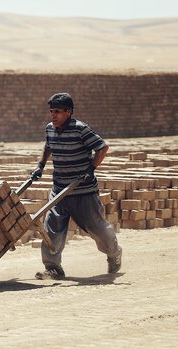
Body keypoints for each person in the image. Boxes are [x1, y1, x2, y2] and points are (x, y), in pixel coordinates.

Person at [31, 92, 122, 280]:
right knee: (52, 228)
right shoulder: (49, 129)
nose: (53, 115)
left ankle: (114, 253)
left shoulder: (80, 129)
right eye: (51, 111)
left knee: (97, 229)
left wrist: (91, 168)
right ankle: (53, 267)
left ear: (69, 112)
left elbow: (102, 147)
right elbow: (48, 146)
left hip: (83, 190)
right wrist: (40, 165)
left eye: (57, 112)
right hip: (59, 190)